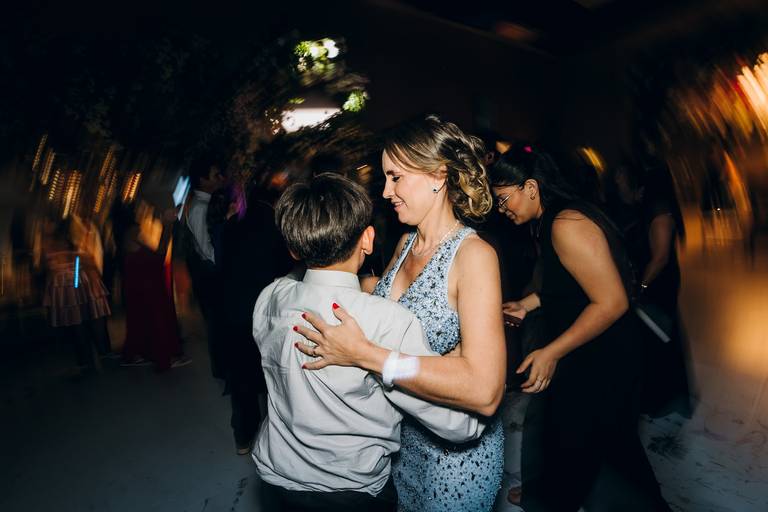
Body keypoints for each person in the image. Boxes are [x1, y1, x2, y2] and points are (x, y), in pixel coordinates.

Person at [295, 115, 506, 512]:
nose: (386, 191)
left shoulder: (474, 256)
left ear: (438, 175)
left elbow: (485, 391)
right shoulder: (407, 242)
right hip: (402, 441)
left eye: (396, 177)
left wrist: (368, 355)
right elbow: (385, 296)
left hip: (453, 460)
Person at [252, 173, 486, 512]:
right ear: (368, 239)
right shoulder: (385, 321)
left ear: (292, 248)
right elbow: (458, 425)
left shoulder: (270, 298)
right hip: (350, 491)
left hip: (277, 478)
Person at [487, 146, 670, 511]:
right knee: (573, 434)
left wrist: (551, 352)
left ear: (531, 188)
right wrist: (527, 304)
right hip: (589, 350)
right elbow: (570, 283)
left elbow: (612, 301)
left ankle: (555, 495)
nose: (501, 209)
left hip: (605, 355)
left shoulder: (566, 224)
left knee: (608, 448)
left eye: (504, 199)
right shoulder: (550, 220)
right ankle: (550, 492)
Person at [609, 159, 693, 417]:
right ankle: (661, 396)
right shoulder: (645, 205)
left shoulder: (660, 209)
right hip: (651, 281)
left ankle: (664, 398)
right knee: (657, 338)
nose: (617, 181)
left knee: (660, 337)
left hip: (658, 282)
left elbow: (661, 257)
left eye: (622, 177)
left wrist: (641, 286)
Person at [219, 184, 293, 454]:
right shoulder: (277, 227)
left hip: (233, 311)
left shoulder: (230, 226)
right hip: (266, 311)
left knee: (242, 379)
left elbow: (220, 264)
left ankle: (244, 437)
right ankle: (276, 439)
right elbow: (286, 270)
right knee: (274, 377)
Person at [121, 193, 191, 371]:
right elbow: (158, 255)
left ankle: (142, 353)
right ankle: (158, 356)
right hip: (145, 285)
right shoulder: (134, 231)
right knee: (154, 319)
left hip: (142, 284)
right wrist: (167, 226)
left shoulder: (135, 230)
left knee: (144, 320)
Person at [182, 156, 226, 378]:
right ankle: (221, 368)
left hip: (210, 269)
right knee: (216, 322)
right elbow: (205, 245)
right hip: (210, 271)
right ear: (202, 179)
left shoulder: (206, 203)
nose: (221, 178)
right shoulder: (200, 207)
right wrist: (226, 264)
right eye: (215, 175)